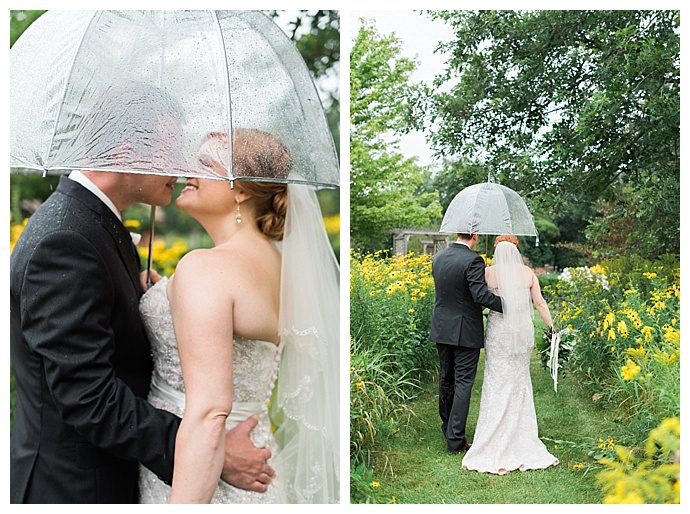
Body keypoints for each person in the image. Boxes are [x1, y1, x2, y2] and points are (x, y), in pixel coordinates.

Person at [9, 87, 274, 503]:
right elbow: (88, 396)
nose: (184, 165)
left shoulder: (93, 224)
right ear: (130, 150)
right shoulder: (65, 238)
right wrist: (211, 451)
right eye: (173, 151)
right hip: (76, 490)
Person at [138, 129, 340, 504]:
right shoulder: (284, 269)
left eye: (203, 164)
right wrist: (163, 293)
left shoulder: (205, 269)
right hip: (259, 463)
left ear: (242, 190)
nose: (185, 170)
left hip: (198, 472)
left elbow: (211, 411)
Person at [462, 235, 559, 474]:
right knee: (519, 381)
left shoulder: (488, 273)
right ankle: (521, 435)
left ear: (497, 251)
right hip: (521, 333)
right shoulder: (527, 273)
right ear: (516, 250)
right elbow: (540, 303)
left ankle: (492, 436)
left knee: (496, 381)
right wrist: (552, 328)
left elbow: (481, 301)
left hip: (498, 335)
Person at [430, 232, 503, 454]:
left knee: (446, 379)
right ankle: (456, 440)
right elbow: (480, 296)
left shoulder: (439, 258)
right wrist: (510, 305)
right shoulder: (473, 260)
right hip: (464, 331)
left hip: (442, 327)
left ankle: (448, 428)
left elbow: (452, 293)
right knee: (463, 382)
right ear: (474, 235)